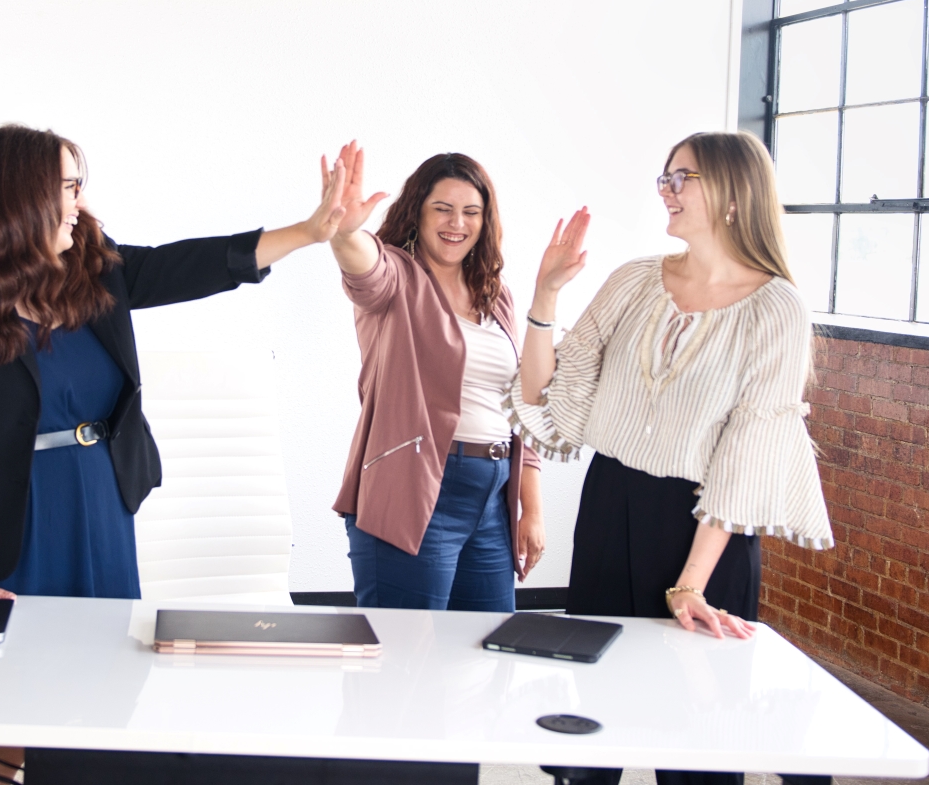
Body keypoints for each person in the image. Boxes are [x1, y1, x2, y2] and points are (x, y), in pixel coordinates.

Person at [0, 124, 348, 785]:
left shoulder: (90, 268)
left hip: (99, 509)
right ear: (23, 194)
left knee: (99, 710)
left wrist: (308, 230)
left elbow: (187, 264)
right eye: (68, 186)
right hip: (7, 523)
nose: (79, 201)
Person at [509, 131, 834, 785]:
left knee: (697, 741)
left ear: (736, 193)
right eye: (665, 179)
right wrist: (545, 298)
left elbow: (744, 456)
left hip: (705, 530)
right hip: (611, 508)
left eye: (683, 178)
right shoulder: (633, 280)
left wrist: (689, 583)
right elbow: (546, 392)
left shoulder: (777, 308)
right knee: (593, 724)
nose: (668, 191)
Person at [325, 142, 544, 612]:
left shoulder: (494, 293)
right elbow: (364, 267)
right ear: (417, 213)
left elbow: (522, 407)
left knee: (486, 658)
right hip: (417, 489)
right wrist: (345, 231)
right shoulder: (397, 278)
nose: (456, 223)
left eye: (471, 211)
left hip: (492, 496)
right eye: (442, 209)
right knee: (404, 666)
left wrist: (532, 508)